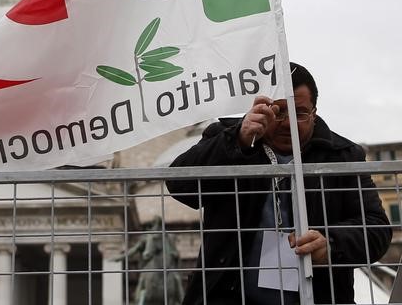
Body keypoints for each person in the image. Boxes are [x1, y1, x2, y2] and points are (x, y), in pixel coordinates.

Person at [166, 62, 391, 304]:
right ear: (263, 107)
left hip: (318, 296)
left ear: (314, 113)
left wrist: (331, 243)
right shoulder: (227, 136)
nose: (286, 122)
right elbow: (180, 185)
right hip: (228, 296)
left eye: (299, 113)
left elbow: (377, 228)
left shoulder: (342, 155)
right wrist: (239, 140)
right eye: (278, 111)